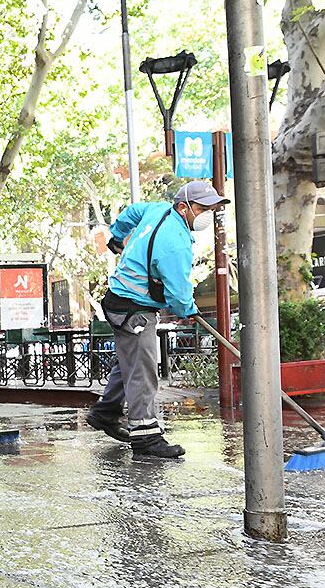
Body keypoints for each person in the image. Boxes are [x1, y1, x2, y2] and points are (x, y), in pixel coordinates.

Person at [86, 180, 229, 459]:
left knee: (131, 362)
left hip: (119, 300)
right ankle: (146, 436)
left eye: (211, 210)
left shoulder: (157, 210)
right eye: (203, 209)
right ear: (183, 206)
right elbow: (177, 293)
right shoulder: (175, 243)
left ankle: (105, 412)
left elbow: (131, 213)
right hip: (134, 309)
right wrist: (188, 309)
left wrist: (116, 236)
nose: (206, 216)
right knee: (143, 370)